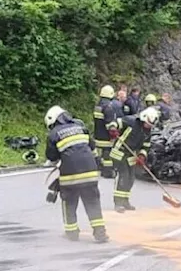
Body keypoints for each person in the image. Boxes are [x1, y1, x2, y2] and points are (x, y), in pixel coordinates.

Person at [45, 105, 108, 242]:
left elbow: (51, 156)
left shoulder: (54, 133)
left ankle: (72, 233)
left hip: (70, 175)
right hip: (90, 172)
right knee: (92, 202)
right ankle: (100, 233)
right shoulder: (81, 127)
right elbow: (92, 146)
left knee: (69, 202)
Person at [108, 106, 160, 212]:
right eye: (147, 124)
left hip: (131, 154)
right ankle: (118, 203)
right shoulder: (130, 121)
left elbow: (146, 146)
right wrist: (113, 129)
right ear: (143, 118)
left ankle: (125, 201)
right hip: (120, 152)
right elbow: (115, 122)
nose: (148, 126)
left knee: (131, 178)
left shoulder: (148, 132)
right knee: (123, 176)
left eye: (150, 125)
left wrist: (142, 155)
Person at [93, 85, 116, 178]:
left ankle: (99, 166)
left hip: (97, 134)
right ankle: (107, 172)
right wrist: (114, 132)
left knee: (99, 153)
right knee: (107, 156)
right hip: (106, 137)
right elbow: (109, 123)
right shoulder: (108, 107)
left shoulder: (98, 106)